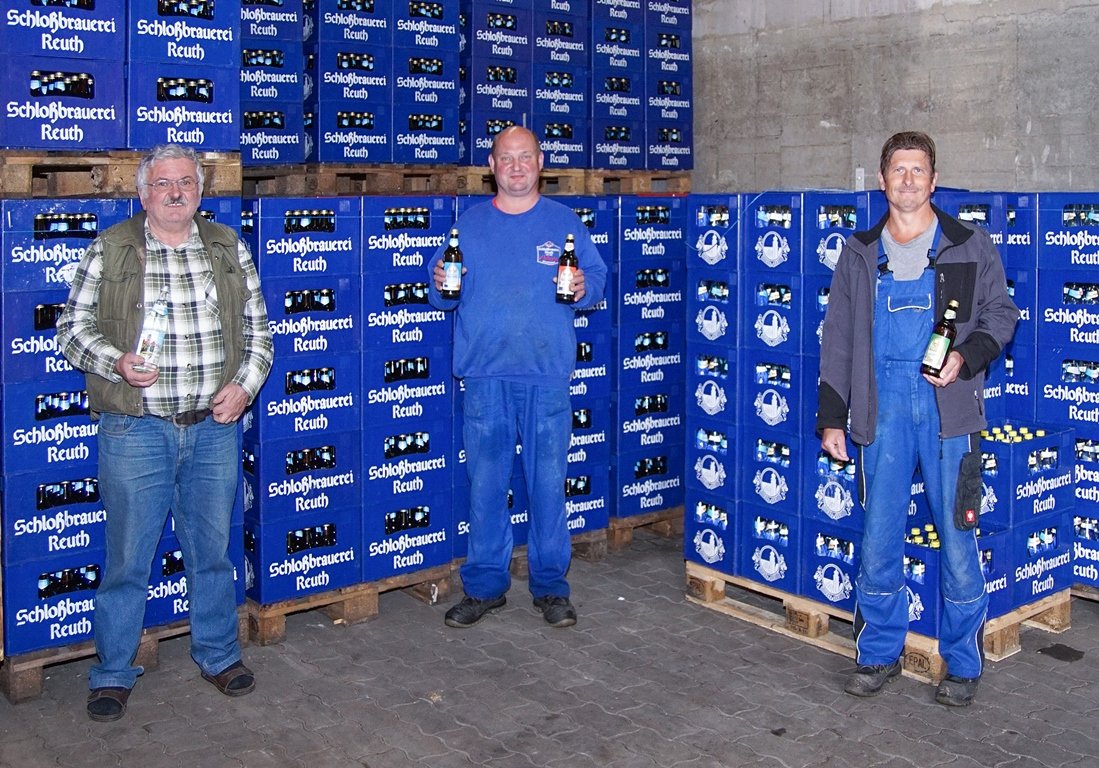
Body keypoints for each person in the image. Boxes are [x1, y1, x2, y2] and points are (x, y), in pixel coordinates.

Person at [56, 144, 274, 722]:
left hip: (212, 430)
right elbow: (70, 330)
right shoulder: (113, 247)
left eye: (186, 182)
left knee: (212, 554)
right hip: (136, 429)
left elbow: (260, 333)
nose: (176, 192)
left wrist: (245, 387)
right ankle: (112, 673)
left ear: (201, 191)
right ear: (143, 191)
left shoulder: (228, 247)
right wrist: (117, 363)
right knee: (127, 558)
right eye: (163, 184)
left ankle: (219, 655)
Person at [817, 131, 1019, 707]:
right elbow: (838, 340)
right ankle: (879, 651)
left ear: (933, 180)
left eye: (918, 170)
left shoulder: (967, 244)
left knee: (957, 537)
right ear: (882, 181)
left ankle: (961, 662)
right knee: (878, 537)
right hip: (879, 411)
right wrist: (833, 416)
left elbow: (1002, 313)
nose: (907, 179)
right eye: (897, 170)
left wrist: (966, 355)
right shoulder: (859, 253)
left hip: (946, 412)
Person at [428, 126, 607, 629]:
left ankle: (551, 587)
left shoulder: (564, 222)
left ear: (540, 162)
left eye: (524, 157)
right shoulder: (470, 225)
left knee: (548, 485)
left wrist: (581, 290)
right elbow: (443, 291)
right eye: (506, 158)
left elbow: (596, 281)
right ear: (491, 165)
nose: (515, 166)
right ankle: (485, 586)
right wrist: (439, 281)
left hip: (546, 378)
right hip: (485, 378)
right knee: (486, 485)